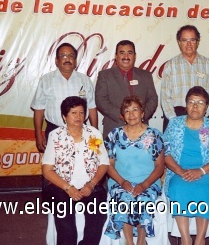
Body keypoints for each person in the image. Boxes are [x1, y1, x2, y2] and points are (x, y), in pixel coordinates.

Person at [163, 86, 209, 245]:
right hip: (178, 173)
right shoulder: (174, 124)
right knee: (178, 188)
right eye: (191, 102)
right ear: (185, 105)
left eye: (200, 102)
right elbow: (164, 152)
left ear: (207, 107)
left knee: (204, 189)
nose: (195, 106)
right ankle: (185, 238)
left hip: (208, 173)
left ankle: (200, 238)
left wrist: (200, 171)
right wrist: (180, 171)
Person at [41, 96, 109, 245]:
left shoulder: (92, 135)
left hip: (90, 185)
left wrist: (91, 184)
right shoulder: (56, 136)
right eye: (73, 113)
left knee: (97, 216)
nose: (78, 116)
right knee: (66, 223)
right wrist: (68, 188)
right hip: (61, 187)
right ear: (64, 116)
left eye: (81, 112)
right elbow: (47, 170)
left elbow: (103, 163)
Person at [104, 95, 165, 245]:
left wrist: (144, 185)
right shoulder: (114, 135)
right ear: (123, 115)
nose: (131, 114)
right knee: (125, 199)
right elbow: (108, 165)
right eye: (127, 111)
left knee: (143, 200)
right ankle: (129, 242)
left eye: (135, 110)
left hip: (148, 182)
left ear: (142, 113)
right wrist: (122, 182)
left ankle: (141, 242)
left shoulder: (154, 134)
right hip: (120, 181)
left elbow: (159, 167)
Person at [31, 42, 98, 153]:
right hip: (55, 130)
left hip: (81, 130)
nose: (67, 59)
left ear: (75, 61)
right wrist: (38, 135)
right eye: (63, 56)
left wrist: (94, 133)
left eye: (71, 56)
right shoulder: (46, 80)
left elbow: (92, 108)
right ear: (57, 61)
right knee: (56, 167)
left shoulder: (85, 80)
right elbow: (39, 109)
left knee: (82, 165)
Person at [95, 40, 158, 139]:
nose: (126, 56)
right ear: (116, 56)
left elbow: (153, 99)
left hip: (141, 129)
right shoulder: (105, 75)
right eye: (122, 53)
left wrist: (141, 115)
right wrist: (121, 115)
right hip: (114, 127)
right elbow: (100, 100)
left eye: (130, 53)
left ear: (134, 56)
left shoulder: (146, 75)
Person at [161, 25, 209, 131]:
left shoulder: (208, 64)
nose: (188, 44)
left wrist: (202, 117)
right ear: (179, 42)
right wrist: (174, 121)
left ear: (197, 41)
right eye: (184, 40)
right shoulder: (171, 65)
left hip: (202, 118)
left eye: (192, 40)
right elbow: (165, 98)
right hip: (175, 117)